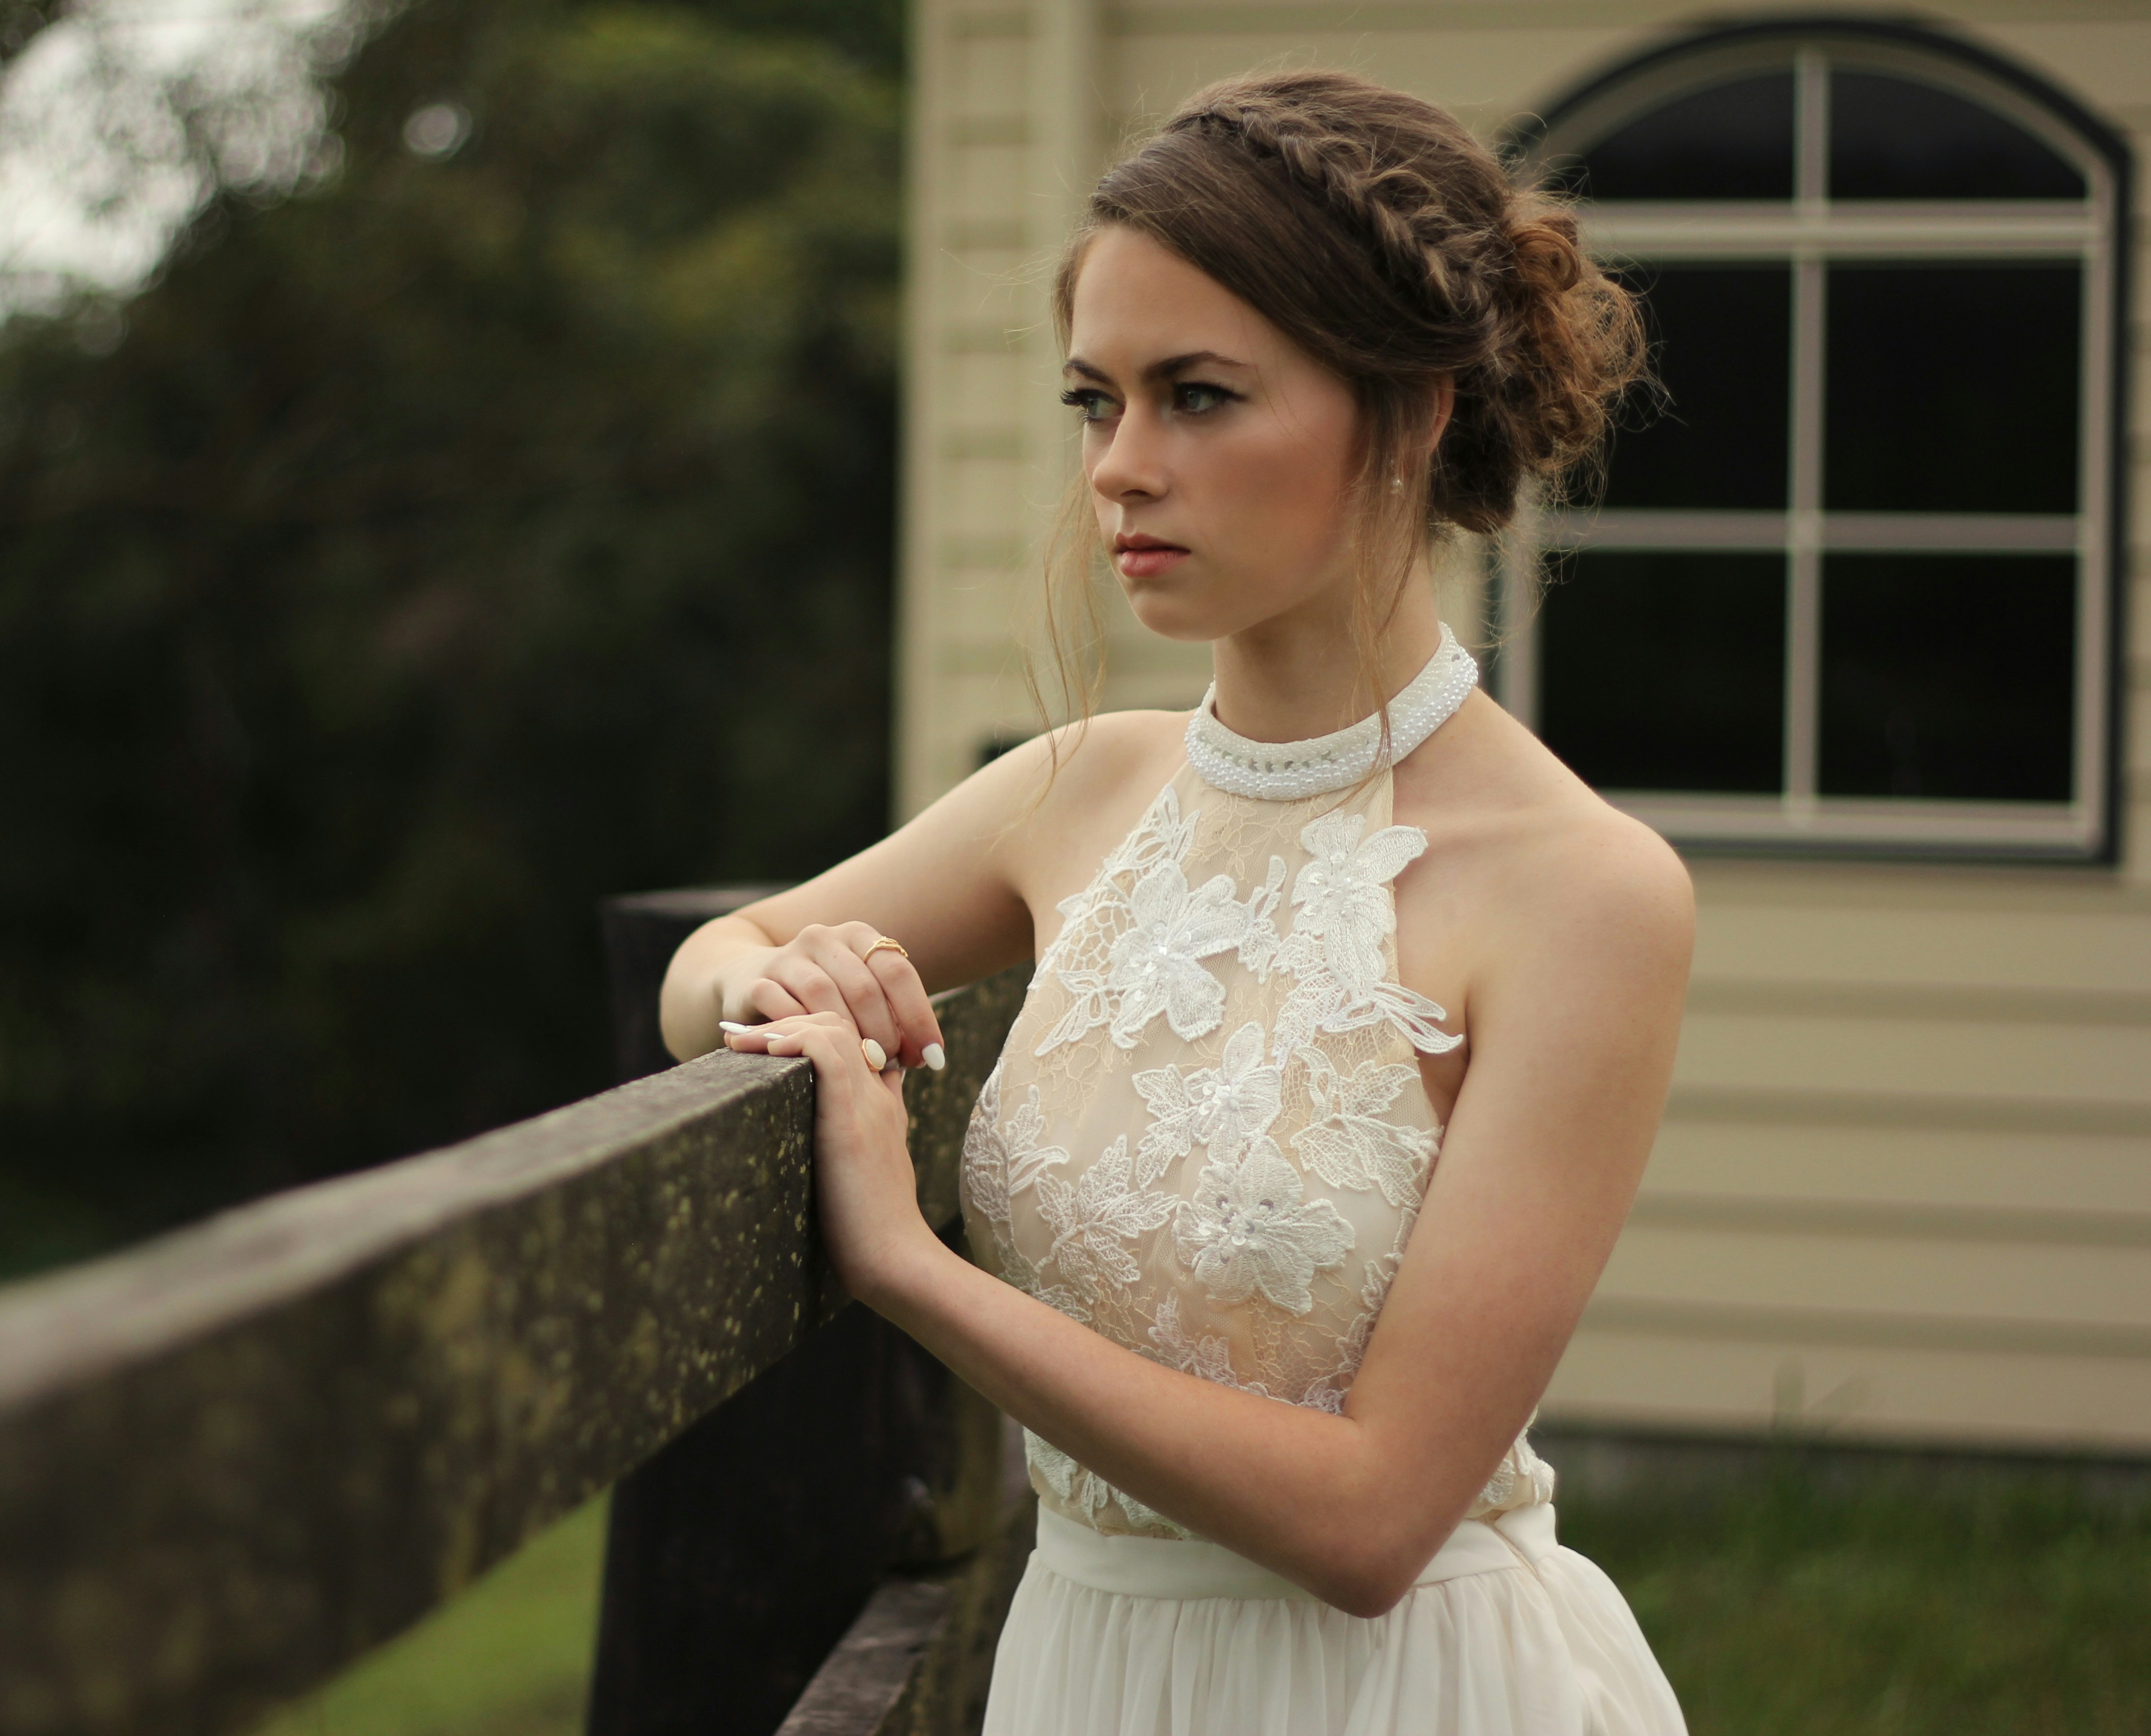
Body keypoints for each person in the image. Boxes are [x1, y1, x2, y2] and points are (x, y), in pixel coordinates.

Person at [660, 66, 1693, 1735]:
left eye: (1199, 396)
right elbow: (714, 956)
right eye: (1097, 402)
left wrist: (909, 1270)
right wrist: (795, 991)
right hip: (1082, 1671)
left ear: (1411, 407)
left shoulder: (1585, 892)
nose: (1120, 470)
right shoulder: (1081, 791)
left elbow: (1368, 1523)